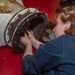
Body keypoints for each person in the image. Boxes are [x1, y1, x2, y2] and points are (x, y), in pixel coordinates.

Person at [20, 5, 75, 75]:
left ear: (67, 25)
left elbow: (28, 67)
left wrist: (28, 44)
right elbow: (52, 52)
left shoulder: (62, 42)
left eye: (57, 24)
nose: (54, 29)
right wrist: (33, 40)